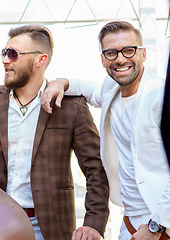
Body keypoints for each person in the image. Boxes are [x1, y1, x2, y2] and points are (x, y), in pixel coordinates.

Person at [0, 24, 109, 240]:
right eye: (4, 53)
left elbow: (95, 169)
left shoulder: (72, 106)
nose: (5, 60)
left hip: (49, 227)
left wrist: (94, 224)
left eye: (13, 54)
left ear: (40, 60)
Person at [41, 21, 170, 240]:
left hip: (160, 225)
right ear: (102, 59)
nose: (120, 59)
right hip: (129, 223)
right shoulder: (112, 91)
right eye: (111, 53)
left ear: (143, 54)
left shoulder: (160, 96)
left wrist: (156, 226)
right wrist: (60, 82)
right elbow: (89, 89)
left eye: (129, 50)